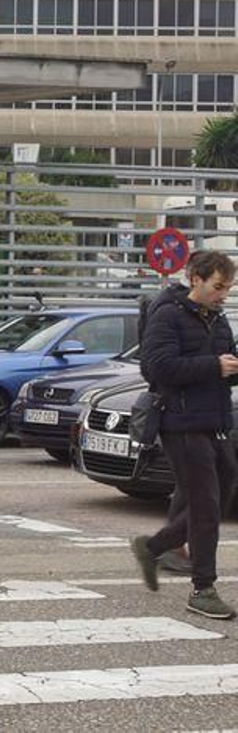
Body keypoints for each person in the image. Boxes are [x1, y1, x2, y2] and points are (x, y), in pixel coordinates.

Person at [130, 250, 238, 619]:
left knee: (219, 499)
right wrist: (213, 366)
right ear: (195, 278)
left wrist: (231, 368)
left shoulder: (218, 319)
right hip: (180, 423)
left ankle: (154, 546)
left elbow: (227, 365)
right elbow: (156, 367)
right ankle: (202, 589)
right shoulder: (168, 315)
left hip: (215, 422)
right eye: (218, 286)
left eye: (228, 288)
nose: (223, 294)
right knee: (206, 507)